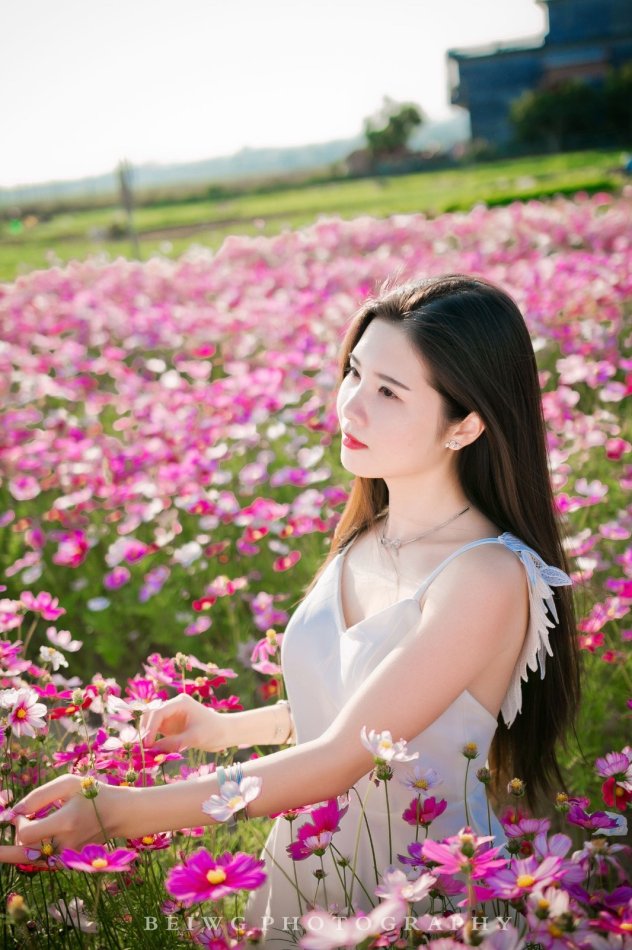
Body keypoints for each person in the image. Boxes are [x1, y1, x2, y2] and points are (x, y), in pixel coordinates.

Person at [0, 274, 581, 946]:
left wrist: (121, 814)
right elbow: (368, 706)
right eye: (355, 374)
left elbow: (344, 754)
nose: (351, 407)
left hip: (427, 900)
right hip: (305, 870)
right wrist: (224, 729)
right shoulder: (368, 534)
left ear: (467, 424)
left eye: (389, 392)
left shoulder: (486, 574)